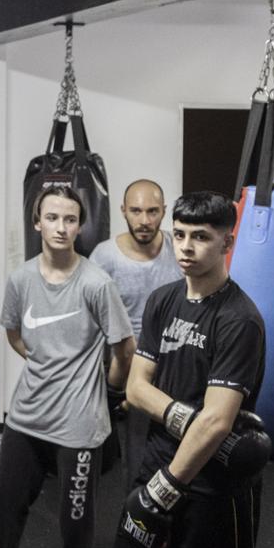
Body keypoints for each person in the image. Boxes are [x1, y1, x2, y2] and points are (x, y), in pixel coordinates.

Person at [98, 191, 267, 548]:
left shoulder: (239, 319)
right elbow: (136, 389)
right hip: (158, 463)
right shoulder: (163, 301)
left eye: (201, 237)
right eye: (179, 235)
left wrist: (171, 484)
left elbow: (217, 421)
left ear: (227, 243)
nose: (186, 247)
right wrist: (193, 425)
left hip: (212, 484)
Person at [0, 185, 135, 548]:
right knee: (6, 501)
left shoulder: (96, 283)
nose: (60, 226)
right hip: (26, 414)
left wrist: (108, 390)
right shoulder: (20, 279)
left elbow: (123, 347)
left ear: (80, 226)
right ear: (37, 222)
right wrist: (47, 362)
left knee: (75, 518)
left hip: (78, 423)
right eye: (52, 218)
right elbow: (15, 334)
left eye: (70, 219)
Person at [90, 179, 183, 488]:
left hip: (174, 366)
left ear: (164, 211)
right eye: (137, 211)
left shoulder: (178, 250)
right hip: (126, 368)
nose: (145, 220)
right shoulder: (104, 257)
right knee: (137, 459)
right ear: (123, 211)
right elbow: (91, 321)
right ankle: (137, 520)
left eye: (153, 211)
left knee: (180, 456)